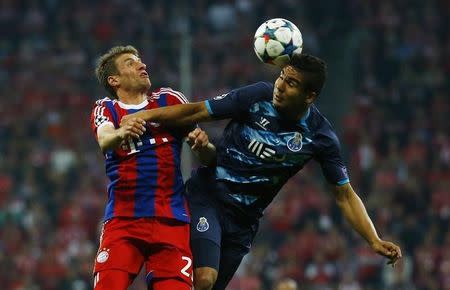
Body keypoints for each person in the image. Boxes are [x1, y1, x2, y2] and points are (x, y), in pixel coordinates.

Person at [121, 53, 402, 290]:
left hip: (243, 223)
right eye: (281, 77)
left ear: (309, 95)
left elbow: (344, 195)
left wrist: (373, 239)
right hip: (208, 197)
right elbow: (195, 111)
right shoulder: (256, 96)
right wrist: (143, 116)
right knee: (204, 279)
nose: (280, 86)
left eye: (291, 84)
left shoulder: (320, 136)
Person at [89, 45, 215, 290]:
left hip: (172, 221)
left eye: (140, 61)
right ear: (114, 80)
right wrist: (121, 132)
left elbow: (210, 158)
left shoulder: (170, 99)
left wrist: (203, 146)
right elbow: (105, 140)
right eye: (130, 63)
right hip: (124, 221)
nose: (141, 65)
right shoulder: (106, 108)